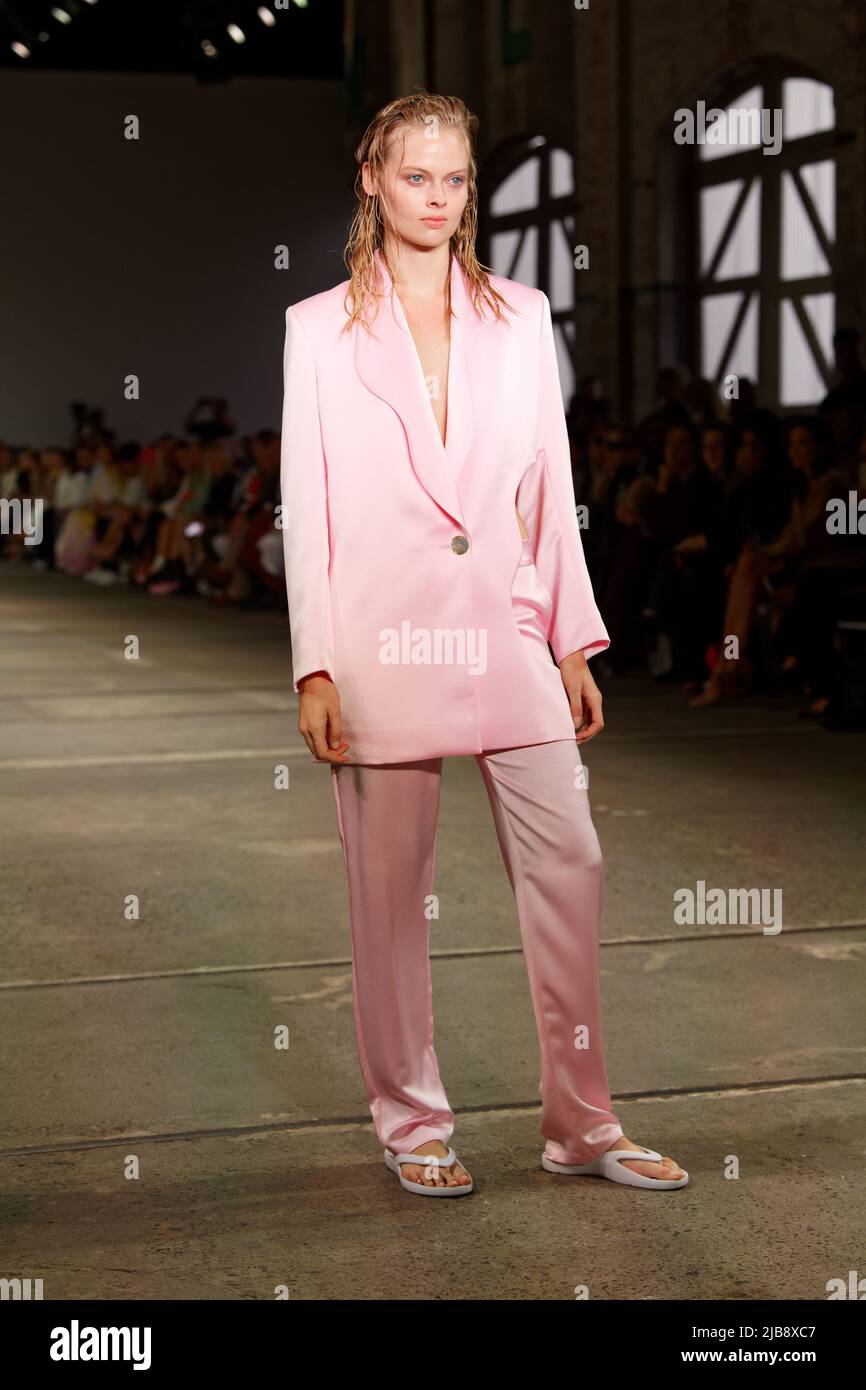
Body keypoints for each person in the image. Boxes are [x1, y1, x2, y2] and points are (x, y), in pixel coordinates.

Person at [280, 91, 687, 1196]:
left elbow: (546, 489)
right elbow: (304, 504)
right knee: (388, 894)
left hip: (505, 626)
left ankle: (582, 1124)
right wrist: (315, 661)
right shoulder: (318, 328)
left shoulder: (520, 312)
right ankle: (413, 1126)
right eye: (415, 176)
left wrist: (570, 642)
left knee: (573, 863)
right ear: (372, 177)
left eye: (454, 179)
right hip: (376, 643)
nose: (436, 198)